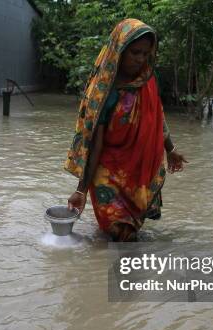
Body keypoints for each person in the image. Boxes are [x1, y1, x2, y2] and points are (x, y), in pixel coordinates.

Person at [65, 18, 187, 242]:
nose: (140, 60)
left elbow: (157, 117)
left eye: (145, 54)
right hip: (107, 169)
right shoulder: (104, 91)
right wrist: (81, 190)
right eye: (135, 53)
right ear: (120, 50)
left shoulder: (147, 80)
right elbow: (95, 143)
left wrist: (170, 149)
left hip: (137, 167)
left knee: (130, 233)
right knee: (118, 230)